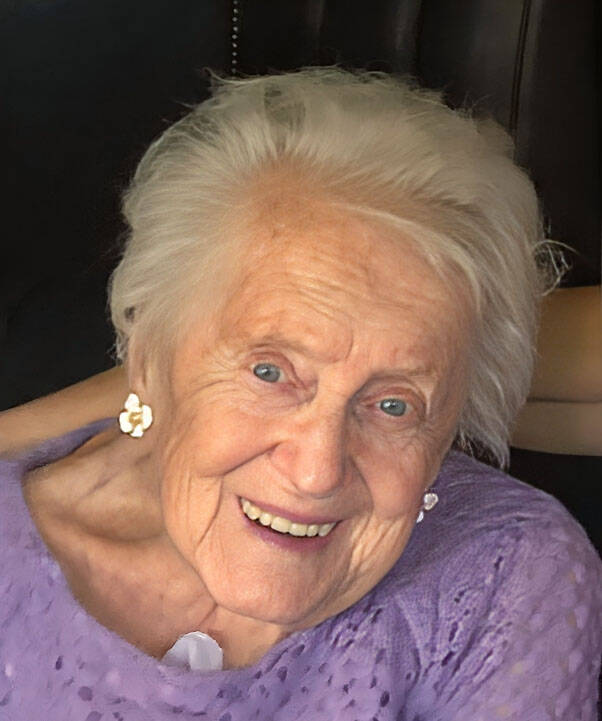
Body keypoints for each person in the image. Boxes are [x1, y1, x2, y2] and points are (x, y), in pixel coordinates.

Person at [0, 69, 600, 720]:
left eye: (393, 405)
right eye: (270, 372)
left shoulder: (504, 580)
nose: (316, 472)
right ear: (145, 357)